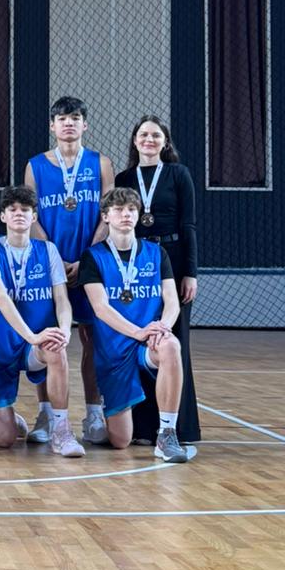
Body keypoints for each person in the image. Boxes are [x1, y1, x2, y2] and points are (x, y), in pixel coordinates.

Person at [78, 188, 193, 464]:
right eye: (118, 210)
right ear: (105, 216)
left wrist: (163, 327)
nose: (126, 214)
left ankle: (167, 435)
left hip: (148, 343)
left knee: (171, 346)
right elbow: (100, 308)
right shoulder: (93, 257)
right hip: (115, 349)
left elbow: (172, 301)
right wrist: (137, 332)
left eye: (131, 209)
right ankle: (102, 416)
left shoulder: (156, 253)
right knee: (120, 441)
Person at [25, 96, 114, 445]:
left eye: (75, 118)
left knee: (93, 340)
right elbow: (30, 216)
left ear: (84, 124)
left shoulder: (101, 163)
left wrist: (87, 258)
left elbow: (108, 214)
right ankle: (47, 414)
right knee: (48, 337)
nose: (68, 123)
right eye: (62, 118)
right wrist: (54, 259)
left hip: (89, 263)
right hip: (50, 263)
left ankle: (94, 414)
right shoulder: (35, 166)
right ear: (52, 126)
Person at [0, 186, 85, 457]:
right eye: (12, 209)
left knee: (56, 348)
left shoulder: (48, 250)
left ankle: (61, 430)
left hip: (35, 344)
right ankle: (8, 418)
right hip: (0, 347)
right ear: (2, 216)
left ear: (34, 217)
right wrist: (31, 336)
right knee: (5, 440)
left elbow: (62, 299)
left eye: (25, 210)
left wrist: (64, 330)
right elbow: (0, 297)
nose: (19, 214)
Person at [115, 116, 200, 443]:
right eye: (143, 135)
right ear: (134, 141)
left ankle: (179, 426)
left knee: (173, 339)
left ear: (165, 142)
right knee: (140, 339)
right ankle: (142, 426)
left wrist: (190, 272)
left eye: (155, 135)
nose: (149, 140)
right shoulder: (124, 178)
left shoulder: (179, 174)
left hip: (173, 259)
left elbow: (188, 225)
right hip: (137, 262)